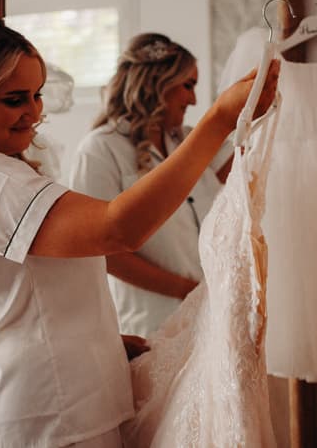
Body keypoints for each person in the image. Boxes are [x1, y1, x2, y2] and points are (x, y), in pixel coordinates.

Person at [0, 13, 279, 448]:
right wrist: (219, 118)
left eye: (36, 96)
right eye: (15, 99)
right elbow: (117, 231)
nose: (33, 112)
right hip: (43, 417)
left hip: (58, 405)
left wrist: (102, 343)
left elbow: (24, 294)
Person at [70, 33, 232, 337]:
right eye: (188, 85)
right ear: (158, 82)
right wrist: (185, 289)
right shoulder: (100, 149)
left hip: (211, 314)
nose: (194, 100)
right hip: (152, 321)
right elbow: (102, 252)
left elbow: (247, 172)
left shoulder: (187, 139)